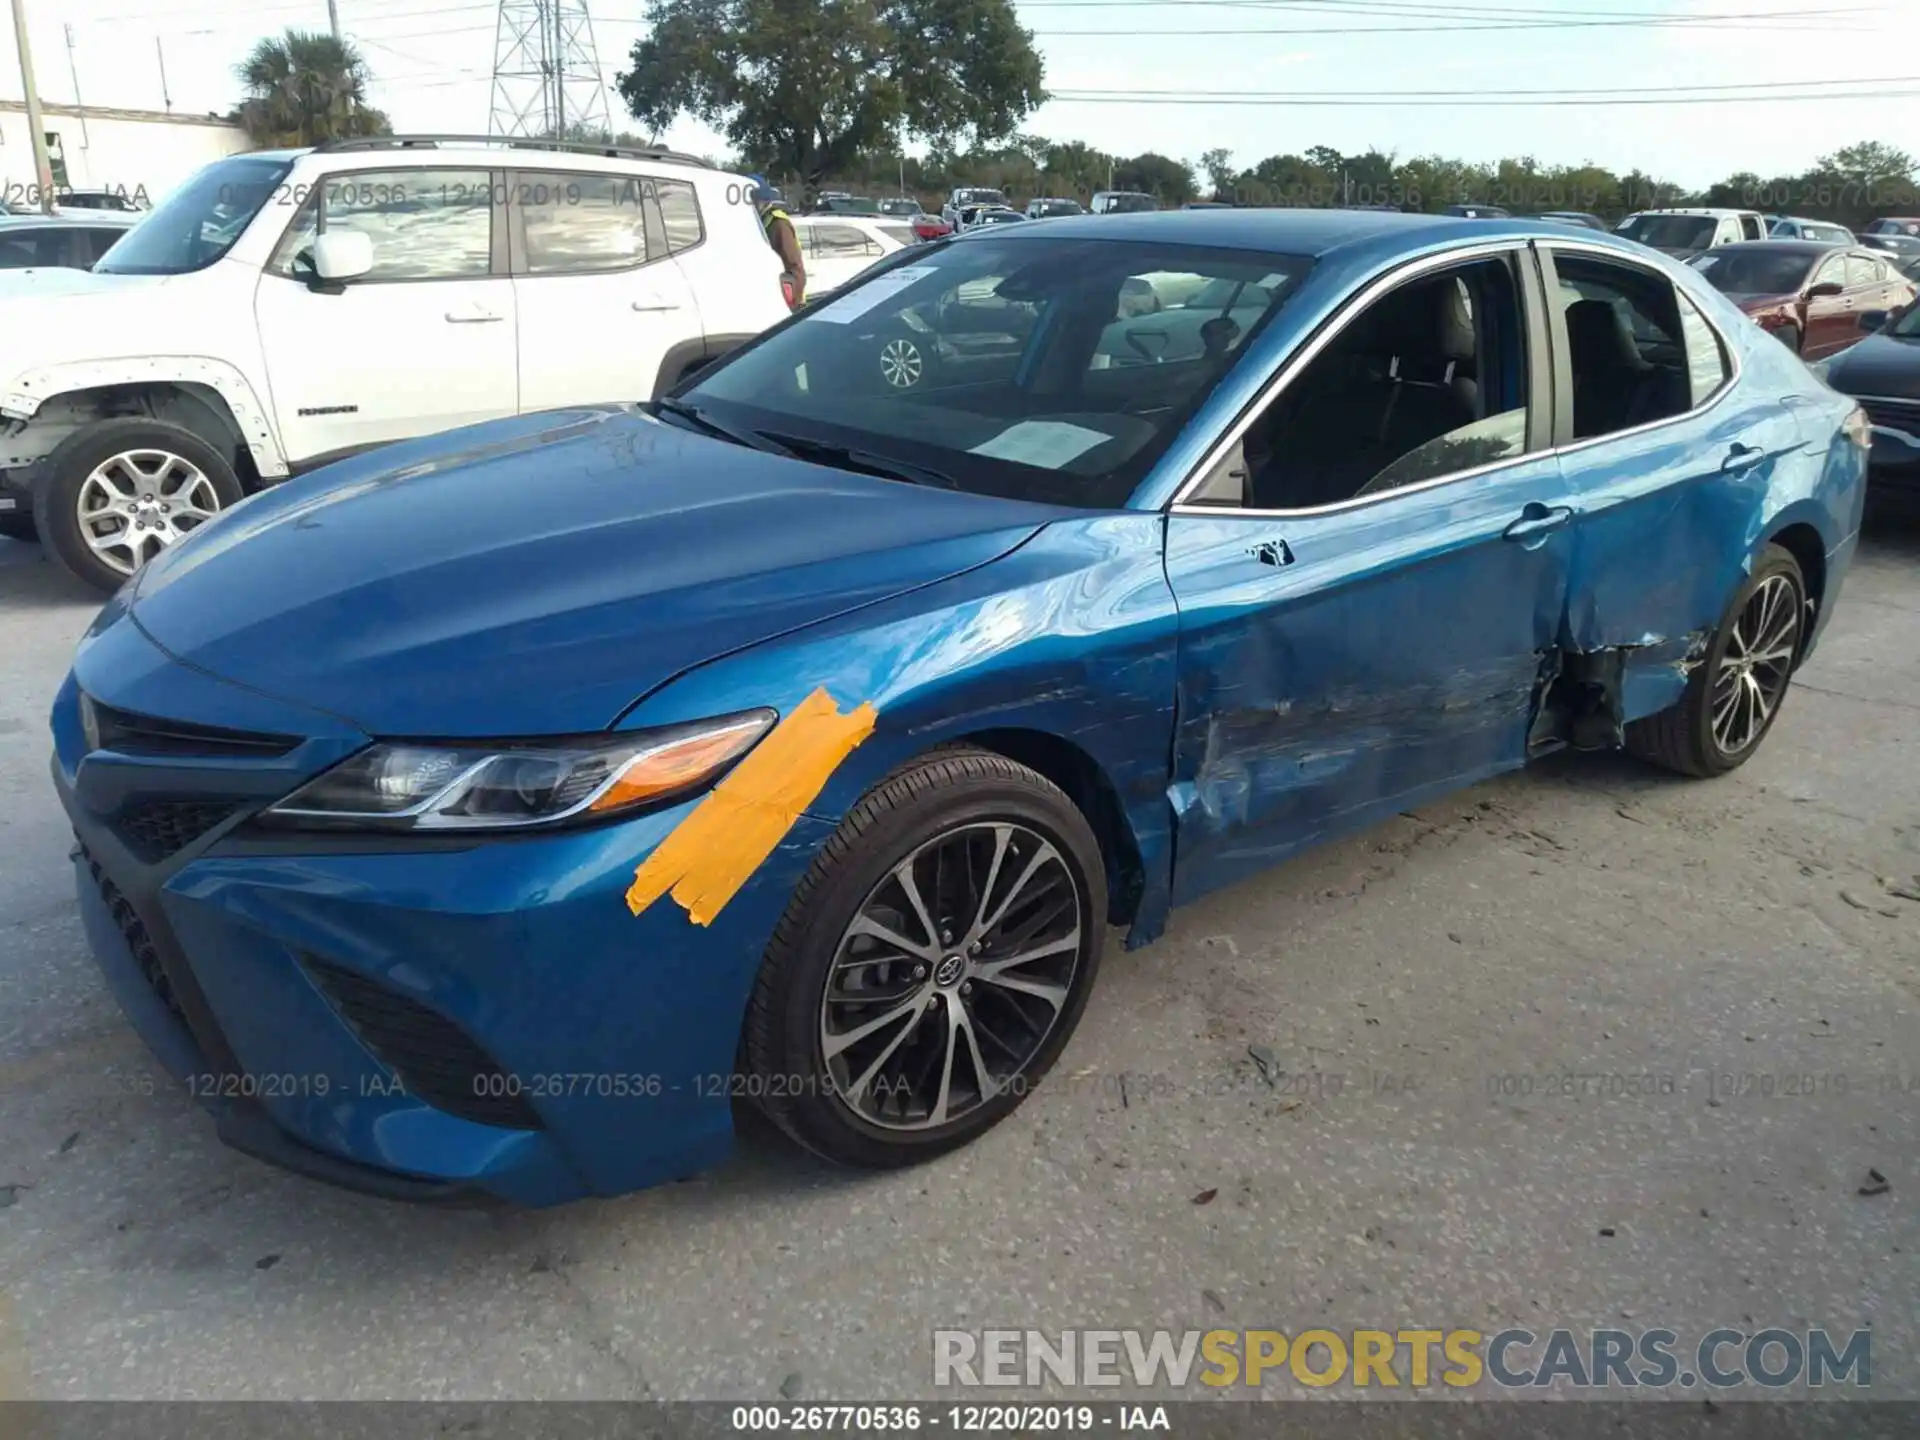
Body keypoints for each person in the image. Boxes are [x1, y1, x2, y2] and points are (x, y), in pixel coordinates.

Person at [751, 177, 806, 311]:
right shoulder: (761, 221)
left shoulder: (778, 224)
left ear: (761, 200)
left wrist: (791, 302)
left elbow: (794, 267)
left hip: (787, 302)